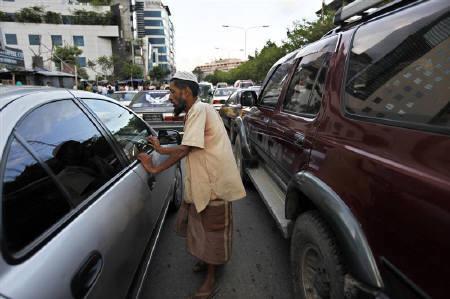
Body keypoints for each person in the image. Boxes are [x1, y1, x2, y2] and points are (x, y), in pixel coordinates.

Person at [137, 71, 246, 299]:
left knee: (213, 233)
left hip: (214, 184)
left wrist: (156, 165)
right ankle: (207, 262)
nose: (170, 97)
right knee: (201, 228)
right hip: (204, 182)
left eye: (172, 92)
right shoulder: (199, 109)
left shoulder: (198, 110)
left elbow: (187, 148)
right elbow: (190, 143)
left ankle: (210, 279)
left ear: (186, 92)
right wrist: (162, 148)